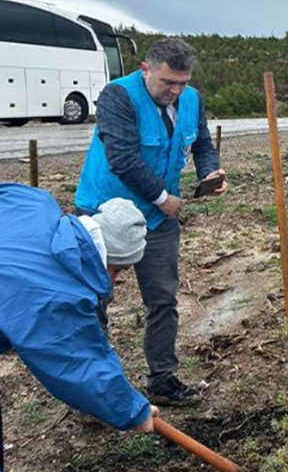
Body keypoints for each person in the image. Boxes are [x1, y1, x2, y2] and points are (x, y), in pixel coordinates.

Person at [74, 37, 228, 406]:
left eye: (183, 83)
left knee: (162, 300)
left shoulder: (191, 100)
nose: (175, 91)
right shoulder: (117, 96)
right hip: (103, 215)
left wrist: (211, 172)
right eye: (167, 83)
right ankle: (91, 392)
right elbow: (123, 158)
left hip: (158, 222)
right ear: (145, 69)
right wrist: (164, 199)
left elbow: (202, 144)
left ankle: (163, 378)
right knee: (93, 301)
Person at [0, 183, 159, 472]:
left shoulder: (35, 201)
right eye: (119, 271)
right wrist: (134, 411)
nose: (116, 280)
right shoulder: (54, 293)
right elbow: (77, 363)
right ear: (111, 260)